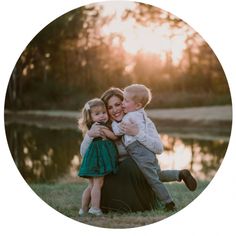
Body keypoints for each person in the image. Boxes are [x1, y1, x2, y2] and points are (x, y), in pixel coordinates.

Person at [80, 87, 197, 213]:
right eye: (109, 107)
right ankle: (104, 205)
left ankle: (144, 203)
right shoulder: (102, 128)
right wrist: (89, 136)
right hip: (113, 175)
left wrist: (137, 133)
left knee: (132, 165)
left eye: (118, 104)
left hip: (135, 175)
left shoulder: (142, 122)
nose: (115, 110)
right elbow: (85, 154)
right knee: (108, 173)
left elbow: (159, 148)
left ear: (125, 103)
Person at [112, 84, 197, 211]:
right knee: (158, 174)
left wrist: (113, 122)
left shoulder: (129, 117)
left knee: (152, 180)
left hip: (138, 151)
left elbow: (118, 131)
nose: (123, 103)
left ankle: (169, 203)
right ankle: (179, 174)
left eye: (126, 100)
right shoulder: (143, 116)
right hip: (148, 152)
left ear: (138, 105)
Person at [78, 98, 118, 216]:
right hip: (98, 161)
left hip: (91, 160)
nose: (102, 116)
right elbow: (114, 137)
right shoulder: (100, 126)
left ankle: (83, 209)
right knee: (98, 184)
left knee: (91, 185)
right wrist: (120, 132)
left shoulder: (92, 127)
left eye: (104, 113)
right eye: (97, 114)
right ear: (90, 117)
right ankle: (95, 208)